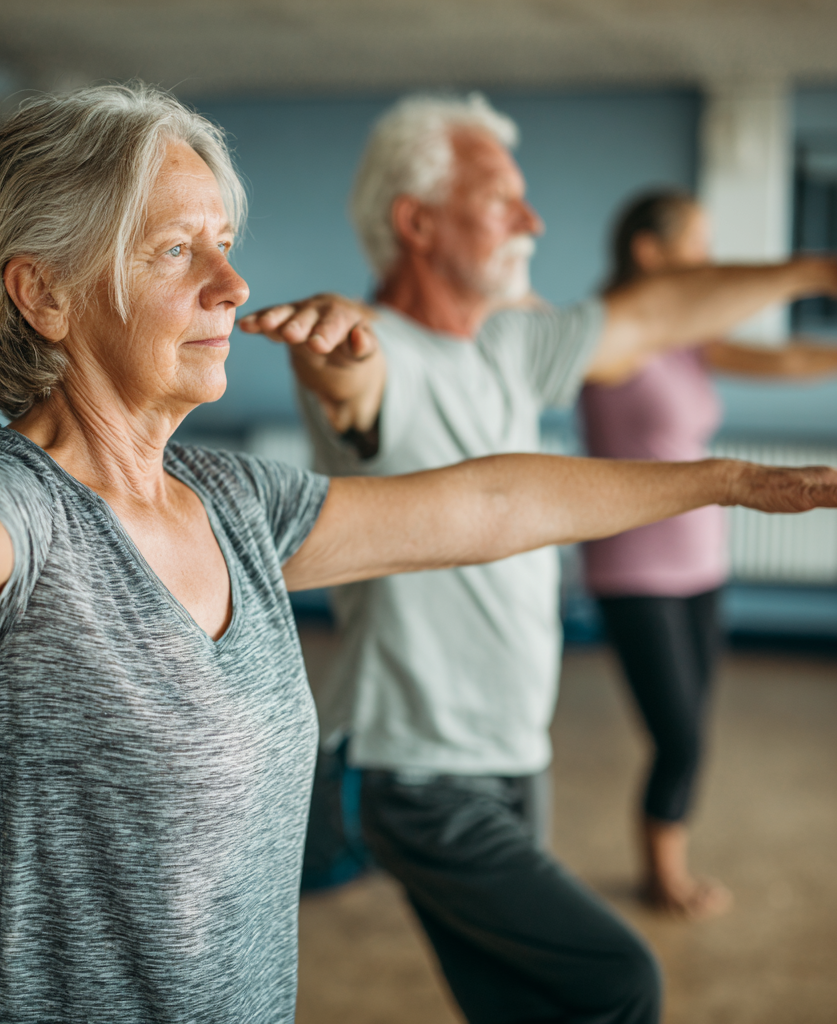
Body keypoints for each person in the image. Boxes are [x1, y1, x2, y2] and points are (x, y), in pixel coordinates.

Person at [240, 93, 837, 1024]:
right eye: (499, 199)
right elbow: (348, 376)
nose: (532, 220)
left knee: (521, 1006)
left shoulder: (511, 345)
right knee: (613, 980)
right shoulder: (377, 344)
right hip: (413, 763)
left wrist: (815, 267)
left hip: (517, 750)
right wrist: (333, 351)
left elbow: (652, 313)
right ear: (417, 222)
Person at [581, 189, 837, 919]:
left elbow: (785, 358)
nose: (710, 264)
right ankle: (663, 877)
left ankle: (670, 862)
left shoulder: (688, 337)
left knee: (694, 727)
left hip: (701, 561)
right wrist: (813, 270)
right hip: (633, 568)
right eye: (698, 247)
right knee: (681, 736)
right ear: (649, 252)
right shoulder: (608, 334)